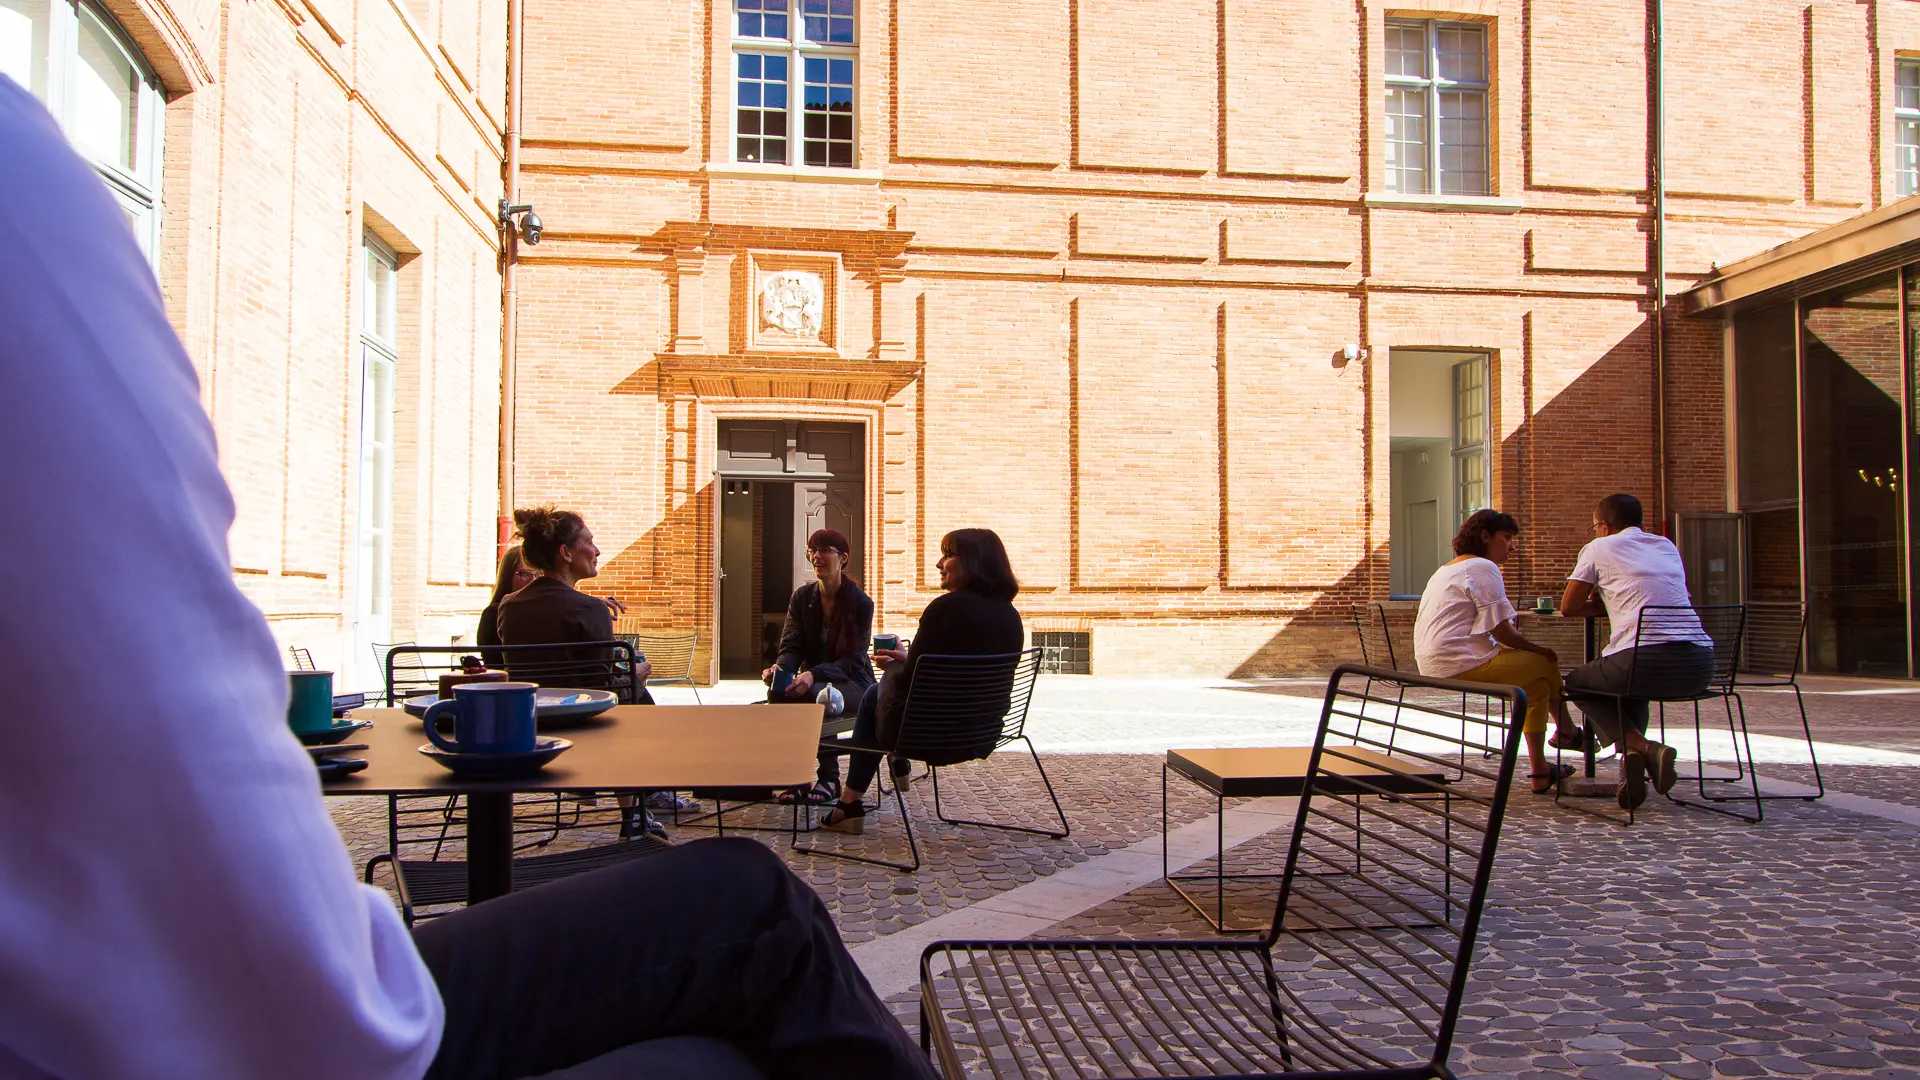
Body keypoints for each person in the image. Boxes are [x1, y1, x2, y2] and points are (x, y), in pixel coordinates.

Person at [0, 74, 934, 1080]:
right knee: (754, 904)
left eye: (830, 553)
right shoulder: (26, 182)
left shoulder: (510, 609)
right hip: (267, 1030)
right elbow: (224, 918)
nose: (821, 560)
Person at [822, 528, 1025, 834]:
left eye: (948, 554)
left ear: (974, 562)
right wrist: (909, 661)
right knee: (884, 690)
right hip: (983, 733)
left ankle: (849, 805)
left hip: (928, 735)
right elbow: (945, 672)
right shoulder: (1011, 616)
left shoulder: (945, 609)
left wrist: (892, 666)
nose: (939, 563)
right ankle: (888, 771)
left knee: (873, 694)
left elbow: (906, 684)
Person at [1559, 493, 1714, 810]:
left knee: (1576, 682)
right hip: (1701, 665)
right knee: (1629, 688)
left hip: (1645, 661)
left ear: (1603, 526)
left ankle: (1644, 747)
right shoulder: (1665, 546)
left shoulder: (1599, 547)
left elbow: (1569, 607)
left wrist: (1603, 604)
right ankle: (1632, 763)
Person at [1412, 509, 1581, 794]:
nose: (1513, 546)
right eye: (1507, 538)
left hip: (1434, 662)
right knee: (1545, 661)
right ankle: (1569, 732)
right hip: (1459, 662)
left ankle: (1541, 771)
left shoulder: (1449, 568)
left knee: (1538, 688)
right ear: (1485, 536)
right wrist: (1538, 647)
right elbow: (1502, 631)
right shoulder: (1481, 567)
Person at [764, 528, 876, 802]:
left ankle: (829, 779)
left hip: (855, 683)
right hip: (815, 678)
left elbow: (852, 661)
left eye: (825, 550)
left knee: (822, 697)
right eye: (812, 550)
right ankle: (797, 777)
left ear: (844, 558)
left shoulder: (861, 603)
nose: (817, 556)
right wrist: (782, 670)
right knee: (779, 693)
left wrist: (813, 674)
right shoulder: (802, 598)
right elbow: (792, 645)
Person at [475, 546, 537, 669]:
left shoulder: (545, 612)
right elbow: (493, 664)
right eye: (524, 573)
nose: (533, 581)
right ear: (508, 577)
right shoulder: (493, 614)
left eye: (537, 575)